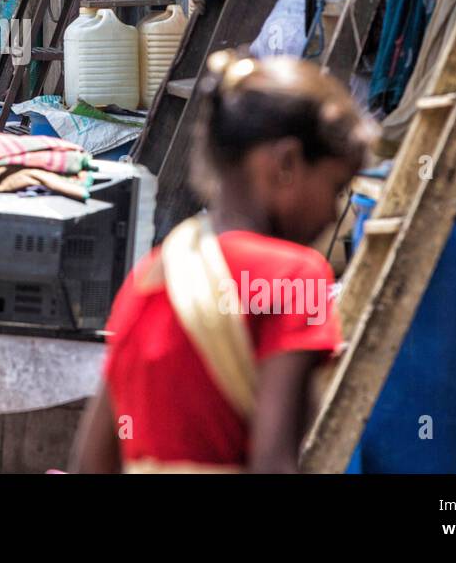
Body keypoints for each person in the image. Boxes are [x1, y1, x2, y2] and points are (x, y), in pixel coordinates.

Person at [70, 50, 376, 474]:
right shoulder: (294, 276)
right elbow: (274, 464)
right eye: (336, 188)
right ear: (286, 163)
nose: (332, 213)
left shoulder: (153, 273)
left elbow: (91, 461)